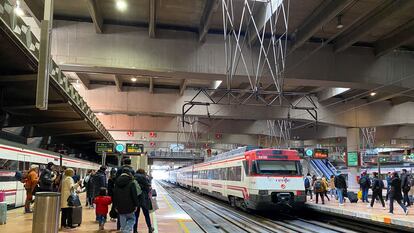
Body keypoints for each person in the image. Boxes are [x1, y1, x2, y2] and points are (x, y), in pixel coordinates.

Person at [134, 169, 154, 233]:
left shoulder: (133, 178)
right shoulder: (145, 178)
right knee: (146, 214)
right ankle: (149, 228)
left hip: (136, 199)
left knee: (136, 215)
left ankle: (135, 230)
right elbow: (148, 189)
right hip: (144, 199)